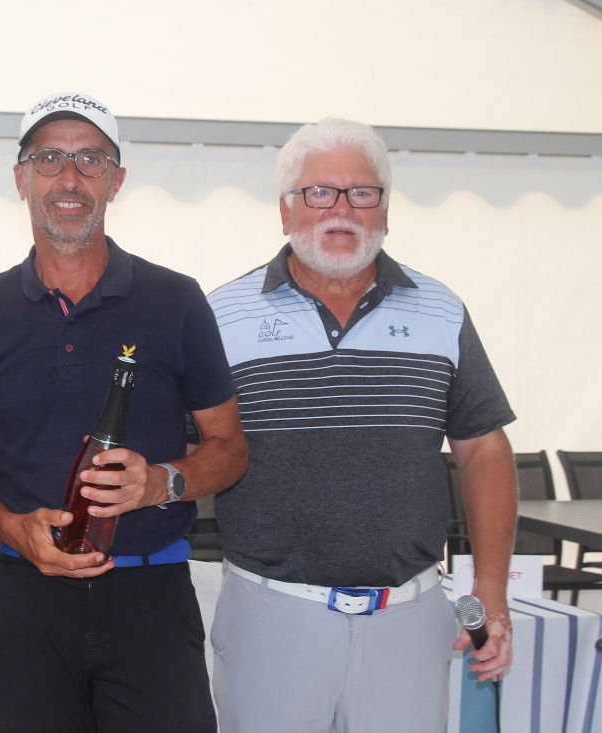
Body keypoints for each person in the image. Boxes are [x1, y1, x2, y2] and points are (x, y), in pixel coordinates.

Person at [0, 91, 249, 732]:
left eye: (90, 160)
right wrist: (11, 528)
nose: (70, 178)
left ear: (116, 180)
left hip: (151, 597)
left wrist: (161, 482)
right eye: (49, 158)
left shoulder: (176, 301)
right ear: (21, 177)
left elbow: (231, 448)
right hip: (28, 597)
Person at [207, 117, 516, 732]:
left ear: (386, 211)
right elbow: (192, 451)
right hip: (271, 616)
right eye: (319, 192)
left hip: (410, 619)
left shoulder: (441, 310)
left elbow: (483, 449)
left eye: (362, 193)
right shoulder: (221, 315)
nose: (341, 209)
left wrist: (491, 588)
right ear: (285, 209)